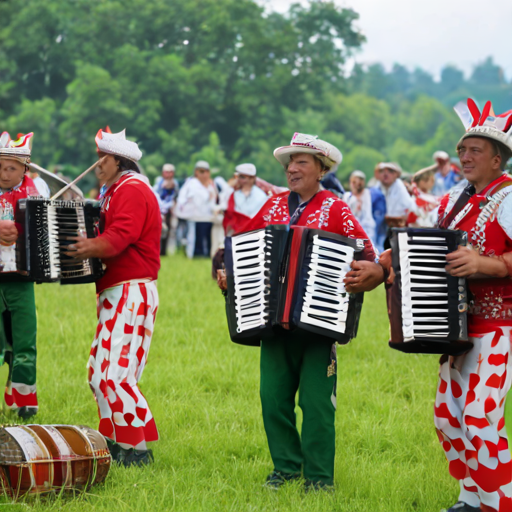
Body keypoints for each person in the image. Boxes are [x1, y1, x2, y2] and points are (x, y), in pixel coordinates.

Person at [218, 133, 384, 491]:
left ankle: (320, 478)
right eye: (289, 163)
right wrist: (229, 273)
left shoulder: (337, 208)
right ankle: (286, 467)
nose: (292, 168)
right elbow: (241, 249)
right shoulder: (273, 205)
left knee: (317, 403)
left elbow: (366, 255)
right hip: (272, 322)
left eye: (301, 162)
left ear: (321, 169)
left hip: (319, 324)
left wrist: (362, 276)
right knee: (272, 398)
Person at [432, 99, 512, 512]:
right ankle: (471, 498)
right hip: (459, 329)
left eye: (474, 150)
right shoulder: (454, 202)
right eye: (461, 149)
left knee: (480, 416)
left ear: (497, 159)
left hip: (501, 327)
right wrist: (388, 264)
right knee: (447, 416)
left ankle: (501, 503)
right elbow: (425, 244)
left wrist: (486, 264)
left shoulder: (510, 198)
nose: (464, 156)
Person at [67, 128, 161, 467]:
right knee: (98, 373)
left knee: (115, 374)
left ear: (118, 160)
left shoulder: (132, 189)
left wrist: (84, 247)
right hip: (116, 289)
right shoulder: (116, 190)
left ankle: (137, 451)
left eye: (101, 158)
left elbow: (120, 236)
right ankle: (116, 442)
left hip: (132, 288)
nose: (97, 165)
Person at [0, 132, 40, 419]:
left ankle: (24, 401)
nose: (4, 173)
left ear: (25, 169)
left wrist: (22, 230)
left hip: (21, 280)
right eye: (0, 167)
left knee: (24, 340)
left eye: (11, 168)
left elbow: (43, 236)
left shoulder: (36, 194)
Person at [175, 160, 217, 258]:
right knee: (194, 239)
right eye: (202, 172)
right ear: (196, 172)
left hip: (207, 217)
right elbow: (185, 200)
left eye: (206, 172)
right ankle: (194, 255)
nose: (204, 174)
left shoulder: (210, 185)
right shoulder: (191, 183)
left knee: (206, 240)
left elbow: (212, 201)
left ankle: (206, 255)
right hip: (194, 217)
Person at [374, 162, 416, 247]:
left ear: (396, 175)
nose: (386, 174)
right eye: (382, 171)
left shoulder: (400, 189)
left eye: (390, 171)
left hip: (396, 232)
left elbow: (411, 209)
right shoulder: (375, 189)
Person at [222, 163, 268, 236]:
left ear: (252, 178)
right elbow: (229, 216)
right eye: (239, 176)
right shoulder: (233, 195)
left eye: (242, 177)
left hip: (254, 234)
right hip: (236, 235)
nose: (239, 179)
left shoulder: (261, 196)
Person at [343, 170, 376, 244]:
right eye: (354, 182)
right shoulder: (347, 196)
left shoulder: (368, 194)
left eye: (359, 182)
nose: (357, 184)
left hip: (366, 230)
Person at [153, 163, 179, 256]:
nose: (168, 174)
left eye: (170, 172)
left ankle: (163, 251)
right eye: (166, 172)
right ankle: (156, 250)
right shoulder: (159, 182)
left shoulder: (175, 183)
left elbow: (175, 197)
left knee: (167, 230)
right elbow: (155, 194)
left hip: (169, 210)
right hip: (158, 209)